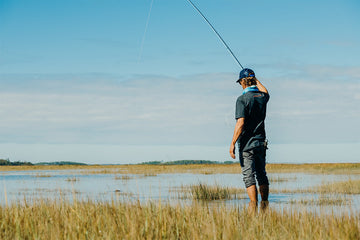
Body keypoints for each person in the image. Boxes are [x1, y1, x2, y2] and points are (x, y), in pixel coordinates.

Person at [229, 68, 270, 211]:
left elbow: (240, 123)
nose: (240, 84)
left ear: (243, 82)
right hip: (261, 143)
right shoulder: (262, 97)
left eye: (240, 82)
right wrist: (256, 79)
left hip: (247, 144)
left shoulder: (241, 100)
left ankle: (254, 206)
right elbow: (266, 92)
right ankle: (265, 205)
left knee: (248, 176)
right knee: (261, 174)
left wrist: (233, 143)